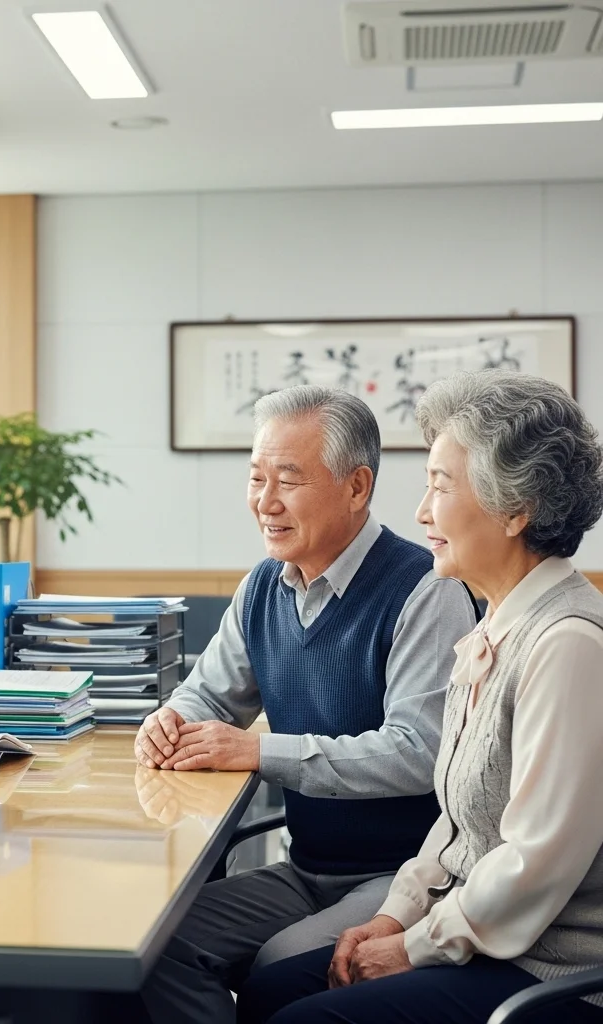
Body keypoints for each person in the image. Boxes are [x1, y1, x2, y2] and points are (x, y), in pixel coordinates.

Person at [242, 369, 603, 1024]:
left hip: (549, 971)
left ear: (515, 508)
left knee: (301, 1014)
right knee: (274, 990)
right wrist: (395, 915)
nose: (421, 512)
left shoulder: (568, 643)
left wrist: (414, 946)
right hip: (485, 942)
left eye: (440, 485)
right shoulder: (495, 626)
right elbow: (457, 823)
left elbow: (535, 864)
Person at [135, 385, 478, 1024]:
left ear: (357, 487)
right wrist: (170, 721)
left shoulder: (426, 590)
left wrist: (259, 751)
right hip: (303, 869)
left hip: (403, 878)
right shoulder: (264, 585)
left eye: (288, 480)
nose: (265, 502)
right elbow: (208, 694)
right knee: (157, 943)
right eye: (256, 478)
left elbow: (418, 752)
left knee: (279, 967)